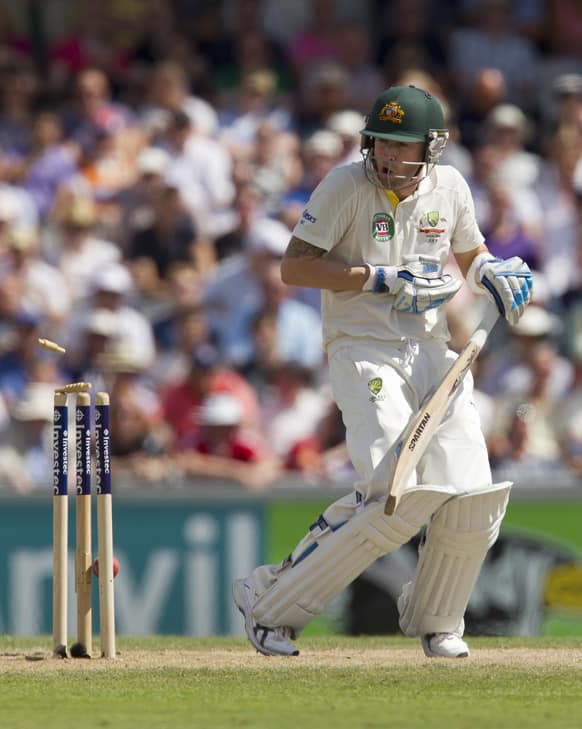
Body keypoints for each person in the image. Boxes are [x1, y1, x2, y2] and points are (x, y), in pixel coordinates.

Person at [232, 84, 533, 659]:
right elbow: (295, 267)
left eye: (404, 146)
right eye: (382, 144)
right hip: (362, 348)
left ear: (432, 147)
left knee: (473, 494)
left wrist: (492, 272)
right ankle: (269, 602)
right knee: (393, 492)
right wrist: (378, 279)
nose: (391, 158)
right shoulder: (345, 186)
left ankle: (437, 619)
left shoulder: (451, 188)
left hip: (433, 350)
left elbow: (471, 255)